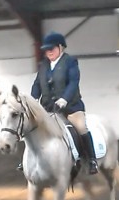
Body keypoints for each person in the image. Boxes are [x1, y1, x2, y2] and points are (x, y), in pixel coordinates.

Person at [17, 31, 98, 175]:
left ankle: (91, 159)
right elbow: (37, 84)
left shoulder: (70, 62)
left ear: (61, 47)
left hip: (71, 107)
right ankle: (29, 160)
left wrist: (64, 99)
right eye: (46, 50)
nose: (49, 52)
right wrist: (33, 99)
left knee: (80, 127)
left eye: (52, 49)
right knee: (33, 128)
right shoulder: (43, 65)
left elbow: (73, 83)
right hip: (48, 108)